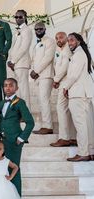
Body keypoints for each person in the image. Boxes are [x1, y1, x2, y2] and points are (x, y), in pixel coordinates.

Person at [0, 78, 34, 196]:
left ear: (16, 88)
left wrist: (21, 138)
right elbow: (1, 121)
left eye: (11, 85)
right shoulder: (2, 103)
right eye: (5, 85)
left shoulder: (20, 102)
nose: (8, 88)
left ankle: (16, 196)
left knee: (13, 169)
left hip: (14, 141)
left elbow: (30, 122)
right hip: (1, 141)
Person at [63, 33, 94, 161]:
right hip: (85, 93)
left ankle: (83, 152)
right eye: (68, 40)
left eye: (72, 40)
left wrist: (65, 87)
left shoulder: (78, 55)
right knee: (88, 124)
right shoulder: (82, 53)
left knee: (81, 125)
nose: (69, 42)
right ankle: (90, 151)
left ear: (79, 41)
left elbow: (73, 75)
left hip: (78, 94)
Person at [50, 32, 77, 147]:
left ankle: (64, 138)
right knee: (67, 111)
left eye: (61, 37)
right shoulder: (61, 51)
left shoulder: (66, 51)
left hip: (66, 84)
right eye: (56, 38)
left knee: (61, 109)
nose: (58, 40)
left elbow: (65, 67)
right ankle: (72, 137)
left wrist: (55, 80)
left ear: (66, 38)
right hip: (63, 83)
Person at [30, 22, 56, 134]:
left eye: (40, 29)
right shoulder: (36, 43)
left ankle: (48, 126)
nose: (38, 31)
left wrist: (36, 71)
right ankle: (44, 124)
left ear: (45, 29)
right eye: (36, 29)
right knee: (41, 100)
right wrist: (32, 70)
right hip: (37, 77)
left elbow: (48, 58)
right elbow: (34, 59)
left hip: (46, 75)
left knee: (44, 100)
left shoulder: (50, 41)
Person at [7, 9, 32, 108]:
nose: (18, 18)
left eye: (20, 17)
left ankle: (26, 113)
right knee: (16, 89)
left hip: (21, 63)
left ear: (25, 17)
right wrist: (9, 60)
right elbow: (12, 48)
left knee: (23, 89)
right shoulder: (17, 31)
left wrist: (13, 61)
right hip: (14, 64)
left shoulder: (27, 30)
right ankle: (19, 111)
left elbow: (24, 48)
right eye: (16, 17)